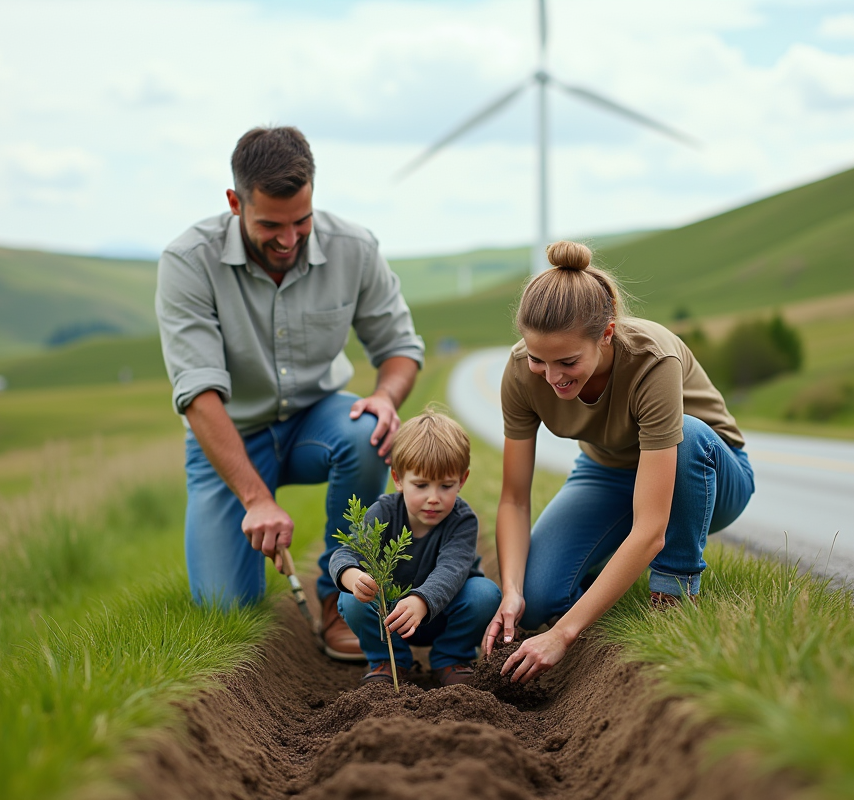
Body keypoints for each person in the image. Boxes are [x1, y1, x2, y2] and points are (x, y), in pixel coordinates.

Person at [155, 126, 425, 661]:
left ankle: (340, 601)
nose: (288, 238)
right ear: (235, 203)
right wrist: (256, 500)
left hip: (316, 424)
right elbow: (198, 394)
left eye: (301, 221)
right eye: (270, 225)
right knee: (224, 609)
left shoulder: (354, 248)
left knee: (368, 431)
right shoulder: (188, 261)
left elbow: (399, 346)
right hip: (230, 434)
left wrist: (387, 398)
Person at [483, 240, 754, 682]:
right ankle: (606, 576)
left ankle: (675, 591)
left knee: (689, 436)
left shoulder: (652, 358)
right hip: (607, 473)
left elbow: (650, 529)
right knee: (540, 594)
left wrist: (564, 635)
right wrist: (511, 591)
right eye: (538, 359)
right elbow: (513, 498)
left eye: (567, 361)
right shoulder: (519, 373)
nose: (552, 378)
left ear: (606, 334)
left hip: (707, 477)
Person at [331, 410, 501, 686]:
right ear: (398, 479)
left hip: (443, 614)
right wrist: (353, 577)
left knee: (485, 594)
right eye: (421, 485)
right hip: (390, 618)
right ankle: (389, 660)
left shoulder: (462, 520)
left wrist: (421, 601)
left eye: (446, 486)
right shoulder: (383, 512)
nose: (433, 498)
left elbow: (452, 569)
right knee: (351, 599)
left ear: (463, 480)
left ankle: (450, 658)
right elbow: (345, 554)